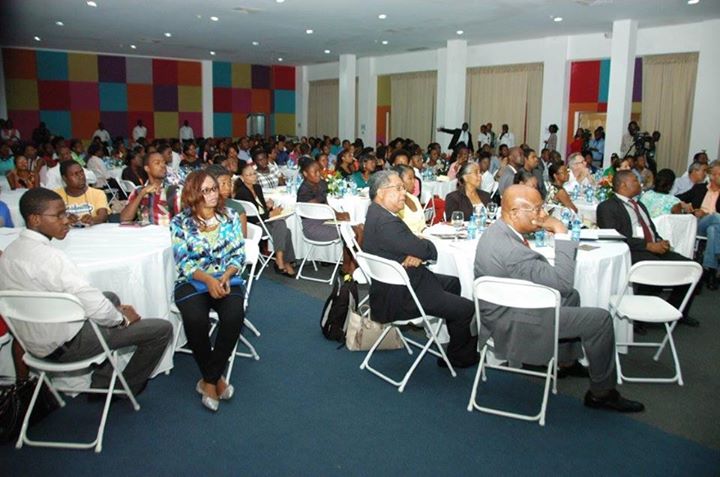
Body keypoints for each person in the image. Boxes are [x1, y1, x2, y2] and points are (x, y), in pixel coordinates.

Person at [473, 184, 644, 413]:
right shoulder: (513, 251)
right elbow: (563, 282)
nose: (543, 214)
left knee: (572, 297)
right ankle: (602, 393)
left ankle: (565, 362)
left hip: (500, 311)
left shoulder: (495, 231)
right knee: (600, 319)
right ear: (514, 212)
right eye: (536, 209)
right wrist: (561, 232)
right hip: (513, 324)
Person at [0, 188, 172, 396]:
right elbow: (96, 306)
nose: (66, 220)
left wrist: (112, 312)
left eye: (65, 213)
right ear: (35, 219)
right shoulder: (51, 258)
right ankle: (123, 388)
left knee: (109, 297)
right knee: (161, 329)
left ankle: (103, 378)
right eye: (58, 215)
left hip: (30, 340)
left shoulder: (10, 251)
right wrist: (122, 320)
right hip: (66, 346)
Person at [363, 170, 478, 368]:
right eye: (398, 188)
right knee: (467, 309)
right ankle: (458, 357)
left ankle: (448, 337)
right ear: (381, 193)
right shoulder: (388, 222)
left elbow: (410, 246)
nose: (404, 193)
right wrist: (422, 247)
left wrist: (414, 249)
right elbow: (425, 249)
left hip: (392, 288)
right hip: (403, 295)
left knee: (453, 282)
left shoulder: (375, 213)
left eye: (403, 188)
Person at [170, 171, 246, 412]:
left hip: (226, 278)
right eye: (206, 190)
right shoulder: (180, 222)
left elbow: (238, 254)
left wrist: (226, 275)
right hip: (192, 280)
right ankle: (215, 379)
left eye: (214, 188)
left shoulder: (230, 216)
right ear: (193, 194)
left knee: (234, 316)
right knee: (195, 319)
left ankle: (208, 380)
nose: (214, 194)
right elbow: (183, 262)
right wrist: (208, 280)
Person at [597, 170, 698, 326]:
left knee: (692, 268)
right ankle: (639, 319)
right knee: (654, 270)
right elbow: (614, 237)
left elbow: (651, 230)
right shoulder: (607, 207)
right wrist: (648, 245)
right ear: (623, 185)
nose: (640, 183)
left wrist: (660, 241)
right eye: (635, 181)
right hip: (632, 251)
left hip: (654, 248)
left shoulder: (640, 205)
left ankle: (676, 311)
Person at [296, 159, 359, 275]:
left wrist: (338, 214)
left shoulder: (321, 184)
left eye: (319, 171)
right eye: (314, 172)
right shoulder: (304, 190)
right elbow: (320, 209)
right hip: (313, 226)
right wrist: (337, 216)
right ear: (305, 174)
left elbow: (326, 205)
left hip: (325, 220)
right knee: (351, 231)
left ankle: (353, 264)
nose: (318, 174)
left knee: (359, 227)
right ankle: (348, 266)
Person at [235, 162, 296, 276]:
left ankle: (282, 261)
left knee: (283, 228)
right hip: (254, 226)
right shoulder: (241, 193)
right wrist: (270, 215)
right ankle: (281, 261)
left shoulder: (257, 188)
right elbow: (250, 216)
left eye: (254, 173)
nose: (253, 176)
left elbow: (260, 210)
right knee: (282, 226)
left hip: (264, 221)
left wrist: (269, 208)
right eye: (249, 175)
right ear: (242, 178)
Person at [677, 160, 720, 290]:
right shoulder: (699, 188)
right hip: (699, 225)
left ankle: (710, 270)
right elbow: (677, 198)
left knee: (713, 229)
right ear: (711, 175)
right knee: (715, 216)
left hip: (716, 228)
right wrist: (687, 207)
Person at [120, 152, 181, 225]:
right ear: (147, 168)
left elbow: (182, 221)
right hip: (144, 232)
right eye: (157, 163)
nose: (163, 166)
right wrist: (141, 194)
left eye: (164, 162)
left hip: (165, 231)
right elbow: (124, 218)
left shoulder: (173, 191)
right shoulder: (138, 191)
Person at [54, 160, 109, 226]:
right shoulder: (55, 196)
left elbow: (103, 216)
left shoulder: (98, 193)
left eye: (81, 172)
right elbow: (50, 219)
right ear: (65, 178)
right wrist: (65, 220)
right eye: (75, 174)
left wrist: (93, 219)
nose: (81, 176)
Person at [205, 164, 248, 238]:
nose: (228, 188)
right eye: (223, 184)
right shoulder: (200, 207)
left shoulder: (236, 208)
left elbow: (242, 238)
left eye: (229, 183)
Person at [394, 164, 426, 234]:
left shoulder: (414, 199)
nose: (414, 181)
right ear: (399, 180)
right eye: (410, 178)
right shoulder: (395, 202)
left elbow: (423, 225)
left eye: (414, 178)